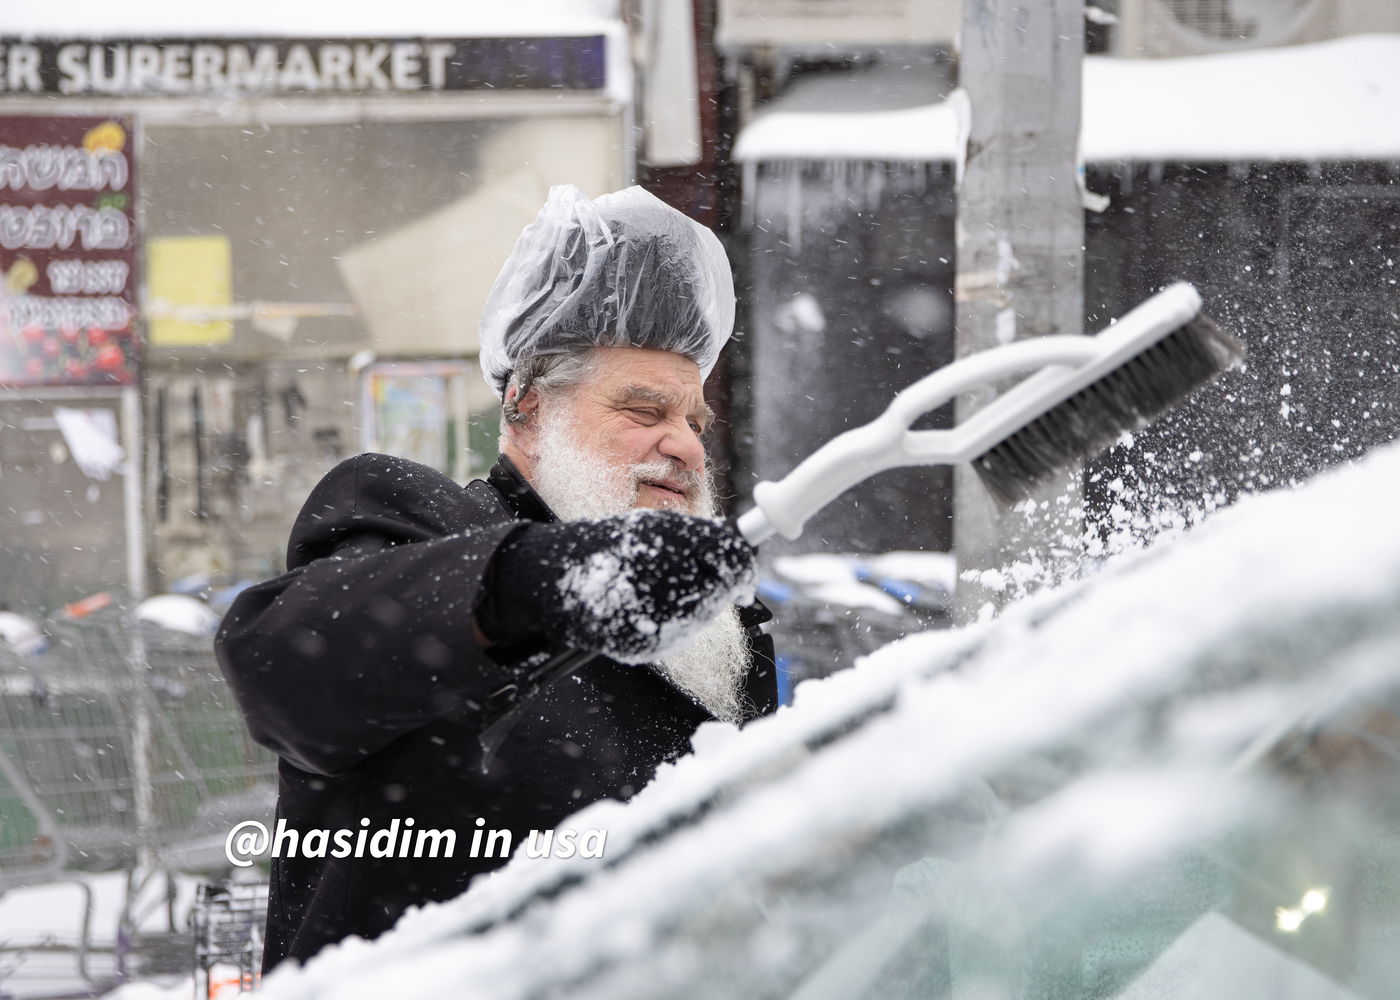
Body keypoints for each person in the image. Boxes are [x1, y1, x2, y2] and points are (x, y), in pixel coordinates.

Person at [215, 185, 779, 973]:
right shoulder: (413, 524)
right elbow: (279, 663)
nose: (684, 445)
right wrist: (548, 578)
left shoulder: (711, 632)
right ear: (524, 409)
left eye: (693, 421)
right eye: (644, 410)